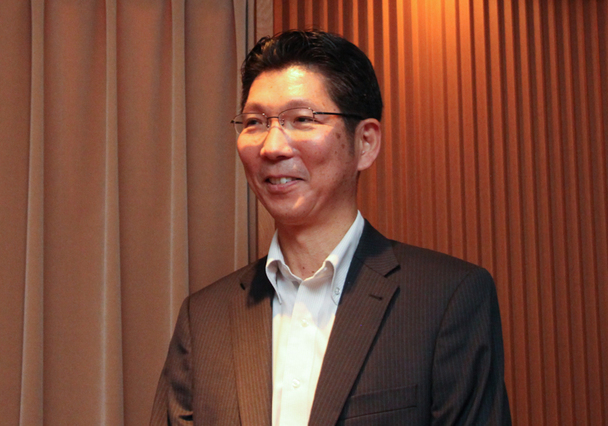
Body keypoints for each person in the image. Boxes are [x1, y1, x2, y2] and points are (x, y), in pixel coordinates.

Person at [150, 29, 511, 426]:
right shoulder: (204, 319)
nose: (272, 147)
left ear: (365, 142)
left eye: (302, 119)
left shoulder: (447, 299)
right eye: (255, 122)